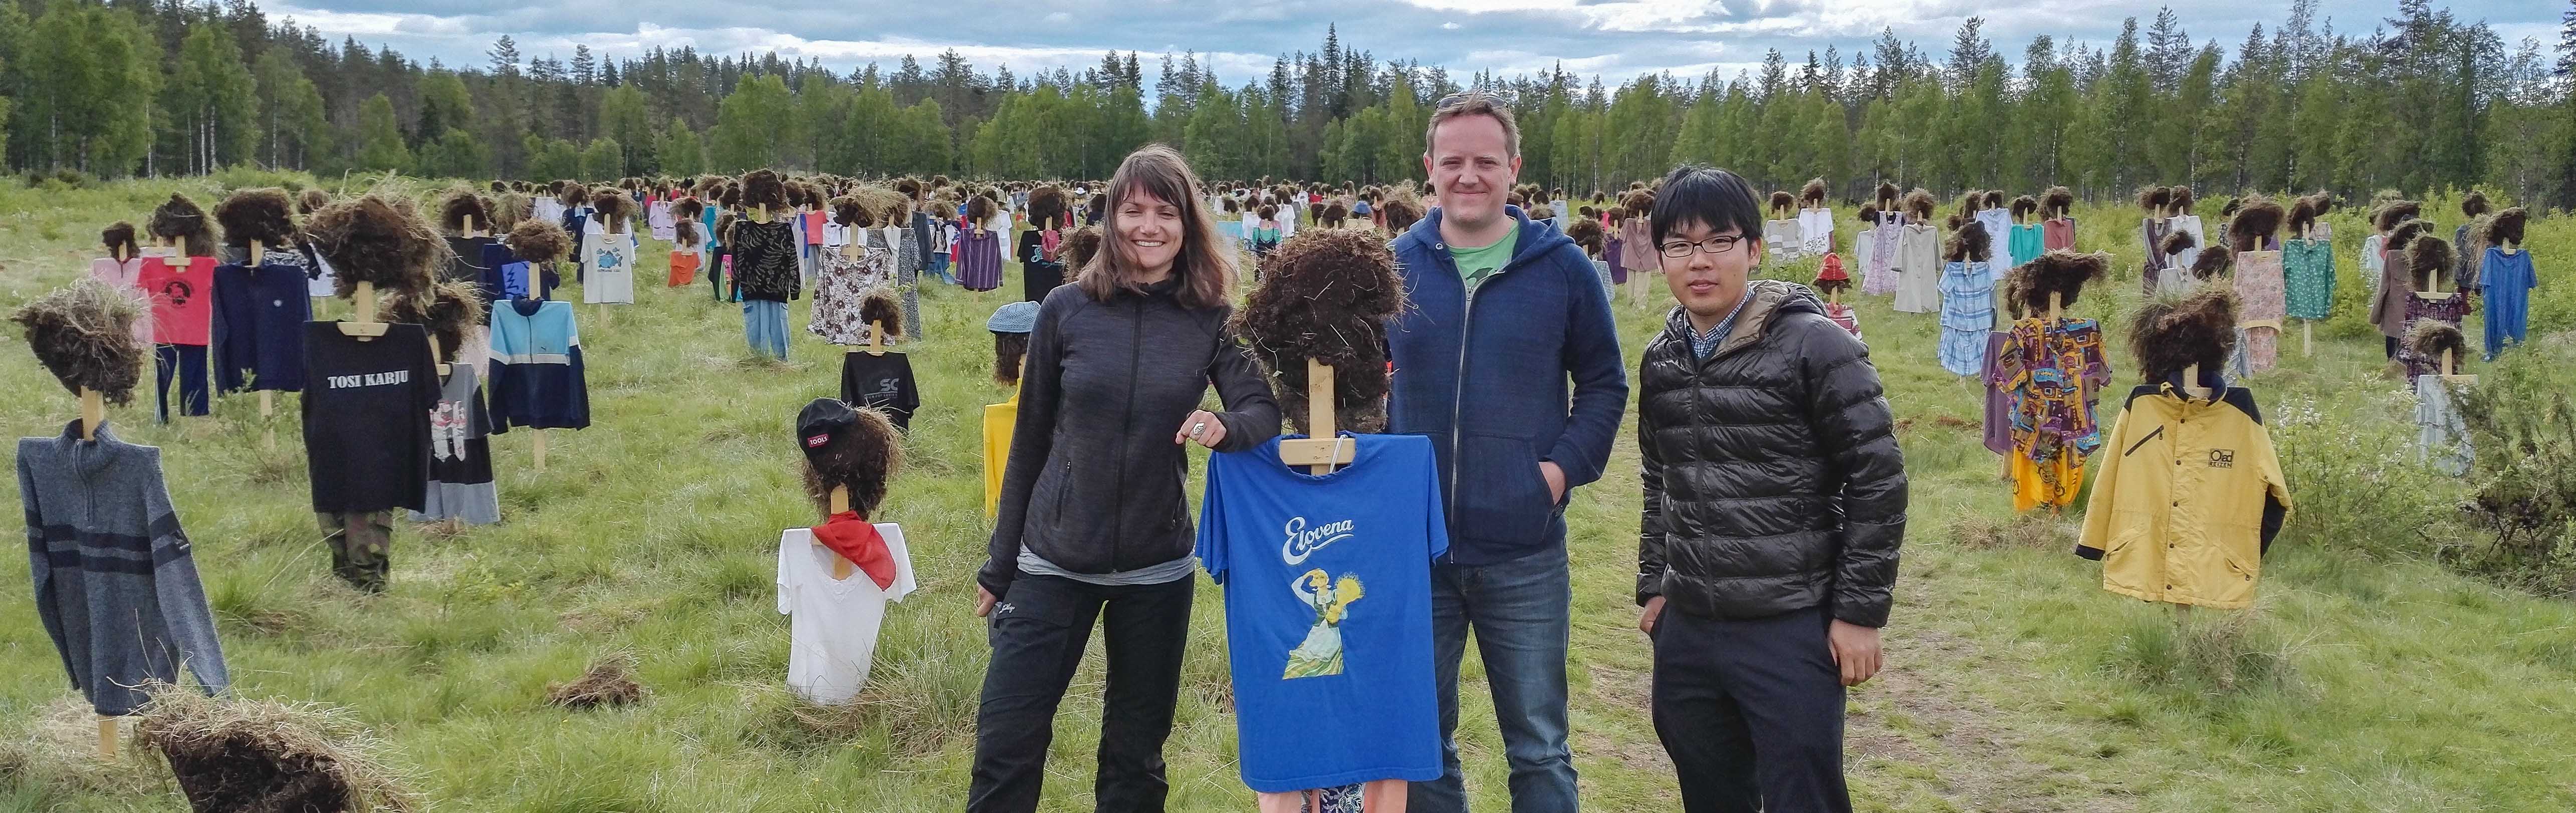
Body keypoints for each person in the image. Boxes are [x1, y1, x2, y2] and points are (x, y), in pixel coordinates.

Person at [970, 144, 1281, 813]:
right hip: (1050, 560)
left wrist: (1225, 426)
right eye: (1134, 210)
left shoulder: (1212, 317)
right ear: (1110, 219)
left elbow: (1262, 409)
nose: (1149, 226)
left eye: (1165, 212)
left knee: (1135, 764)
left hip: (1155, 570)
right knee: (1006, 744)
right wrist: (1001, 566)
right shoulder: (1065, 309)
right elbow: (1028, 442)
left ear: (1187, 224)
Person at [1632, 166, 1905, 813]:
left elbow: (1877, 475)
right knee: (1711, 794)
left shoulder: (1815, 345)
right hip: (1690, 627)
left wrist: (1858, 613)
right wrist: (1653, 585)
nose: (1698, 262)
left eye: (1718, 242)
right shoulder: (1661, 359)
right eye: (1679, 245)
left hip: (1789, 625)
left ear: (1752, 250)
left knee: (1802, 797)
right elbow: (1658, 475)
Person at [1387, 91, 1627, 813]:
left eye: (1484, 161)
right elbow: (1351, 384)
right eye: (1452, 161)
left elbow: (1604, 385)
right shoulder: (1393, 267)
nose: (1468, 175)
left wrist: (1552, 476)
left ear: (1512, 169)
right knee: (1422, 745)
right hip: (1415, 551)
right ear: (1428, 169)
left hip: (1523, 550)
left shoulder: (1562, 270)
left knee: (1539, 747)